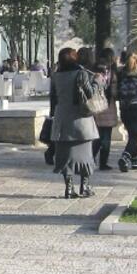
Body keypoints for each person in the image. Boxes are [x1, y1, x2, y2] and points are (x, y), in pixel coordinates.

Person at [49, 47, 99, 199]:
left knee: (66, 157)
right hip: (80, 120)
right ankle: (85, 186)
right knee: (86, 156)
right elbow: (91, 94)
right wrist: (97, 81)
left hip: (62, 120)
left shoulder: (56, 76)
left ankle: (69, 188)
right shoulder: (81, 73)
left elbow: (53, 98)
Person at [92, 48, 119, 171]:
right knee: (106, 137)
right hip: (108, 106)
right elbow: (114, 91)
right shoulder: (112, 72)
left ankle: (91, 159)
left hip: (96, 106)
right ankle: (103, 162)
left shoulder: (94, 70)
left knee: (97, 136)